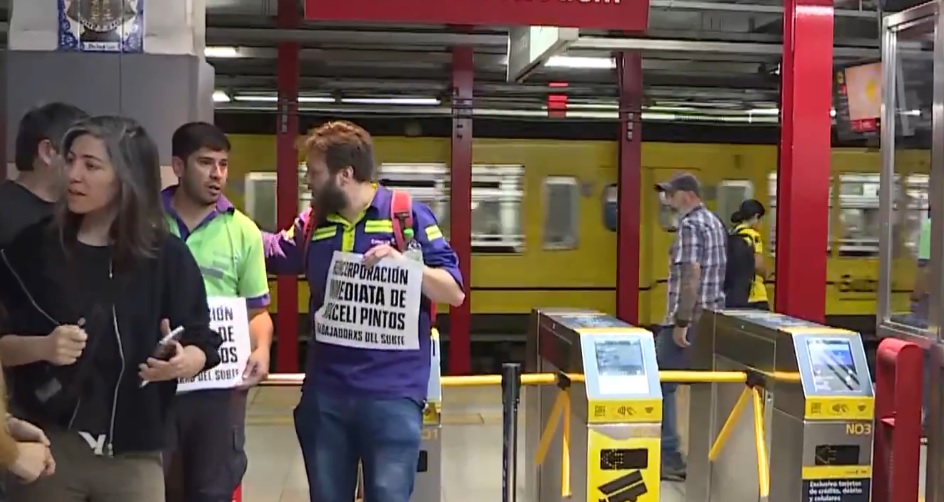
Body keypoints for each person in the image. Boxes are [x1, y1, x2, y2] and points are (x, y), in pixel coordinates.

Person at [0, 116, 222, 501]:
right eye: (70, 160)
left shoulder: (165, 256)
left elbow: (203, 338)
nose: (73, 175)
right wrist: (42, 347)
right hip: (49, 447)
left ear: (126, 176)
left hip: (135, 454)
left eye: (91, 165)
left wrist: (186, 361)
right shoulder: (31, 251)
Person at [263, 120, 465, 502]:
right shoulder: (313, 224)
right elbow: (271, 251)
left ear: (345, 175)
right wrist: (220, 218)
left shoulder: (408, 218)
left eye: (314, 172)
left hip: (391, 395)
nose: (308, 181)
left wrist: (404, 264)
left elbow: (454, 292)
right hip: (326, 397)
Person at [161, 122, 273, 501]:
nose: (217, 175)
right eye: (205, 163)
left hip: (218, 391)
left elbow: (256, 311)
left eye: (223, 164)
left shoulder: (243, 231)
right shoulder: (143, 223)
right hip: (155, 385)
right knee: (152, 486)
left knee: (212, 490)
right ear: (178, 166)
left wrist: (261, 349)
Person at [653, 172, 727, 481]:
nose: (668, 202)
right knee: (706, 387)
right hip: (713, 317)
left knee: (658, 381)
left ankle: (669, 455)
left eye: (670, 195)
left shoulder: (690, 226)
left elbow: (691, 275)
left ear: (686, 195)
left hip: (690, 320)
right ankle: (712, 454)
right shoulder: (715, 223)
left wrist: (681, 322)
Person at [0, 103, 89, 246]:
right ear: (47, 152)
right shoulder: (5, 214)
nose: (82, 172)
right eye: (73, 157)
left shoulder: (81, 212)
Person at [729, 199, 769, 310]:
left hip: (738, 293)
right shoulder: (753, 236)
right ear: (756, 217)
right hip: (755, 294)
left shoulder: (733, 233)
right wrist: (766, 274)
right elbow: (758, 264)